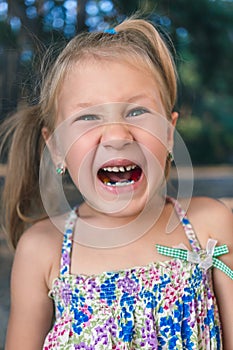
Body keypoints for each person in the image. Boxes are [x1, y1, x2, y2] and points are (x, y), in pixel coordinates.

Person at [1, 17, 233, 350]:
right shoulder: (42, 251)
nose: (116, 135)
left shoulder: (210, 226)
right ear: (57, 149)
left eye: (137, 112)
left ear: (169, 134)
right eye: (88, 117)